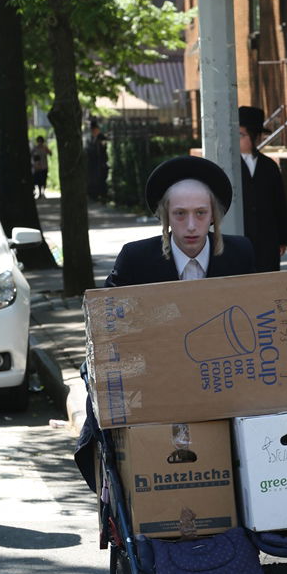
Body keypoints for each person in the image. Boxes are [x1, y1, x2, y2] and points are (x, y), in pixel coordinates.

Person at [75, 154, 256, 487]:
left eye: (201, 214)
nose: (190, 225)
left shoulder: (240, 254)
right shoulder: (136, 259)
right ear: (166, 219)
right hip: (153, 386)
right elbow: (105, 327)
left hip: (223, 384)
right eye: (180, 214)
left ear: (213, 215)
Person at [238, 106, 287, 272]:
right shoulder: (230, 166)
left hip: (267, 236)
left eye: (242, 135)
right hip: (240, 235)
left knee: (267, 275)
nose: (236, 139)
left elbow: (280, 203)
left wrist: (283, 238)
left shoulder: (269, 166)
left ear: (256, 136)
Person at [86, 117, 109, 201]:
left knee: (101, 181)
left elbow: (103, 149)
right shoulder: (92, 139)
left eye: (94, 130)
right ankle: (95, 195)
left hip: (101, 163)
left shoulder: (101, 137)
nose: (93, 132)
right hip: (94, 164)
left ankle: (103, 196)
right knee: (94, 180)